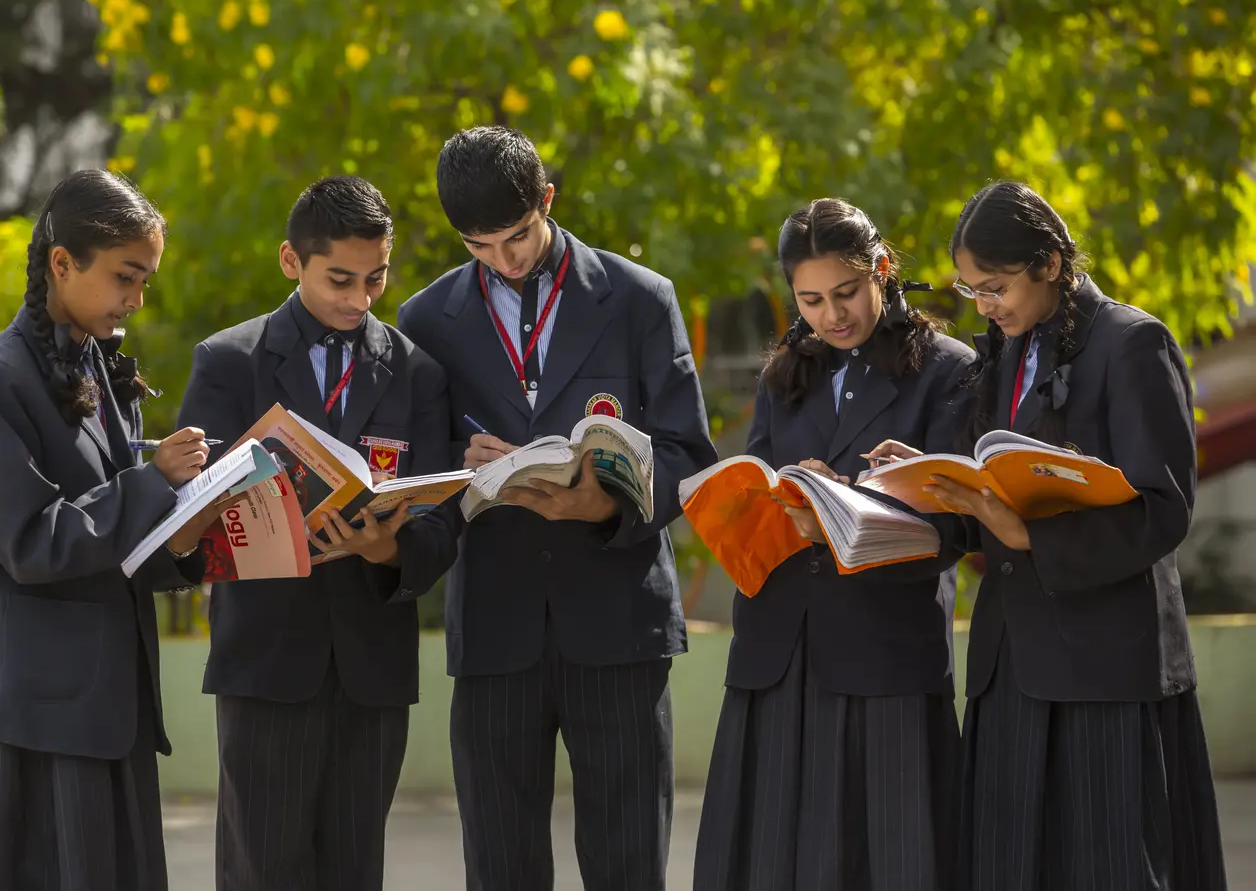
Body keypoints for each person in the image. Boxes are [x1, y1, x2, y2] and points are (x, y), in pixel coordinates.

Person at [397, 125, 719, 891]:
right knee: (500, 864)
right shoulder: (424, 321)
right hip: (496, 628)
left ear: (547, 198)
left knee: (629, 858)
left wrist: (601, 505)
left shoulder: (641, 299)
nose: (504, 261)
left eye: (516, 236)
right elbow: (420, 479)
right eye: (480, 246)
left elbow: (688, 455)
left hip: (619, 620)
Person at [890, 180, 1227, 889]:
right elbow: (983, 494)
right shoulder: (1005, 350)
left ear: (1048, 263)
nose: (983, 306)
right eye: (970, 289)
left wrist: (1030, 536)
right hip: (1010, 666)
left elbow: (1164, 510)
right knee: (1008, 866)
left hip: (1106, 669)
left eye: (995, 286)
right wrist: (917, 484)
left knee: (1110, 865)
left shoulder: (1133, 343)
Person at [0, 168, 219, 891]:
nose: (136, 297)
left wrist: (191, 528)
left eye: (145, 279)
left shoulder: (95, 366)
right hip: (29, 722)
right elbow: (32, 542)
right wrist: (154, 485)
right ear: (62, 263)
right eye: (126, 275)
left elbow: (116, 540)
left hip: (103, 709)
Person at [176, 175, 458, 891]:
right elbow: (188, 516)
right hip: (267, 661)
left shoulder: (418, 373)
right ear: (289, 261)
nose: (360, 298)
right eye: (340, 278)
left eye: (376, 278)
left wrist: (386, 546)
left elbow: (442, 526)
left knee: (355, 866)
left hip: (372, 669)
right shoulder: (229, 362)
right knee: (263, 866)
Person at [691, 199, 973, 891]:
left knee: (889, 858)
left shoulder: (948, 369)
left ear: (882, 270)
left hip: (883, 653)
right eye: (810, 300)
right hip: (778, 650)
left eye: (845, 293)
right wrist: (783, 499)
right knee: (769, 864)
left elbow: (957, 529)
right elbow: (756, 486)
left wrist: (854, 504)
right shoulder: (786, 370)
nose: (830, 315)